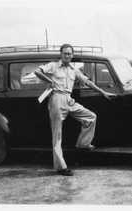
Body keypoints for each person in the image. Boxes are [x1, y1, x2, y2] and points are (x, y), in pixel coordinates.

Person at [35, 44, 116, 176]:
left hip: (68, 99)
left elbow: (88, 82)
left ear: (72, 55)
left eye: (69, 54)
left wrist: (103, 92)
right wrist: (49, 81)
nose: (67, 55)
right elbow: (37, 72)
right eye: (65, 53)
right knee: (57, 136)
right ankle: (61, 167)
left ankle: (83, 144)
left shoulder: (74, 69)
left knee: (91, 117)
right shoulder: (53, 66)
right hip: (56, 99)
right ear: (61, 54)